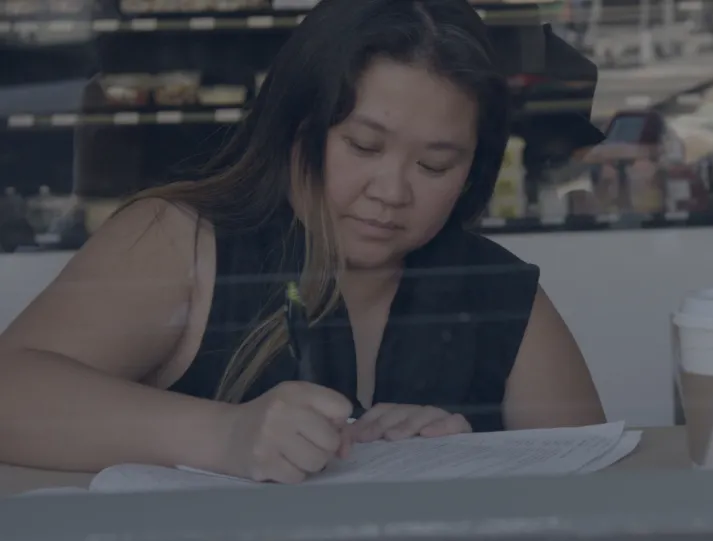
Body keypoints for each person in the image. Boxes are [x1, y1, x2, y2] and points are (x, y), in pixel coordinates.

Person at [0, 0, 606, 484]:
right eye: (363, 147)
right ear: (295, 127)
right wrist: (223, 436)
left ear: (473, 172)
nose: (391, 191)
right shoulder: (182, 242)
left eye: (435, 165)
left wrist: (466, 467)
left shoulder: (501, 295)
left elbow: (593, 507)